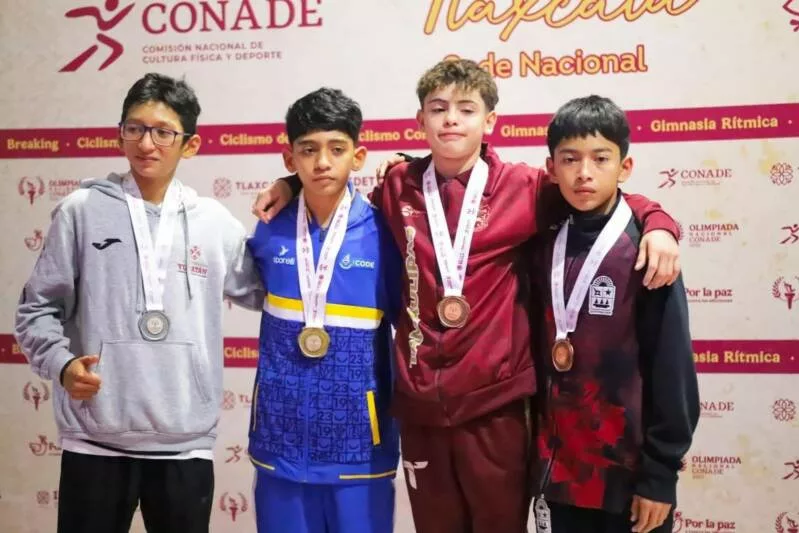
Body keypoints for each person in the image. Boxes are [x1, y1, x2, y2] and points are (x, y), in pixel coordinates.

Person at [252, 59, 682, 532]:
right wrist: (291, 183)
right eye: (438, 109)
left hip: (494, 407)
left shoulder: (524, 187)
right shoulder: (397, 186)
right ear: (420, 120)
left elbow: (598, 194)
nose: (451, 119)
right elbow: (333, 190)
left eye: (466, 109)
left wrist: (658, 220)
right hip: (420, 409)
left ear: (490, 120)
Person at [14, 72, 264, 533]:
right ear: (120, 134)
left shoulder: (214, 223)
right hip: (94, 439)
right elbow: (36, 309)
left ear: (190, 144)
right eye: (135, 128)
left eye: (163, 132)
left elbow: (271, 290)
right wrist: (63, 365)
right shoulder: (81, 210)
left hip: (184, 443)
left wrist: (293, 189)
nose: (147, 143)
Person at [529, 95, 699, 533]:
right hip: (559, 476)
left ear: (624, 167)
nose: (584, 172)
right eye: (570, 159)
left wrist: (660, 476)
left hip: (628, 479)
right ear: (551, 168)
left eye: (600, 158)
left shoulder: (646, 249)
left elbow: (672, 369)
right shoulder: (542, 239)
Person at [246, 87, 401, 533]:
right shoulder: (270, 226)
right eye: (308, 150)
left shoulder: (385, 231)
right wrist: (288, 187)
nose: (322, 163)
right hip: (280, 442)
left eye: (337, 149)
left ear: (358, 156)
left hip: (360, 446)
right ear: (289, 158)